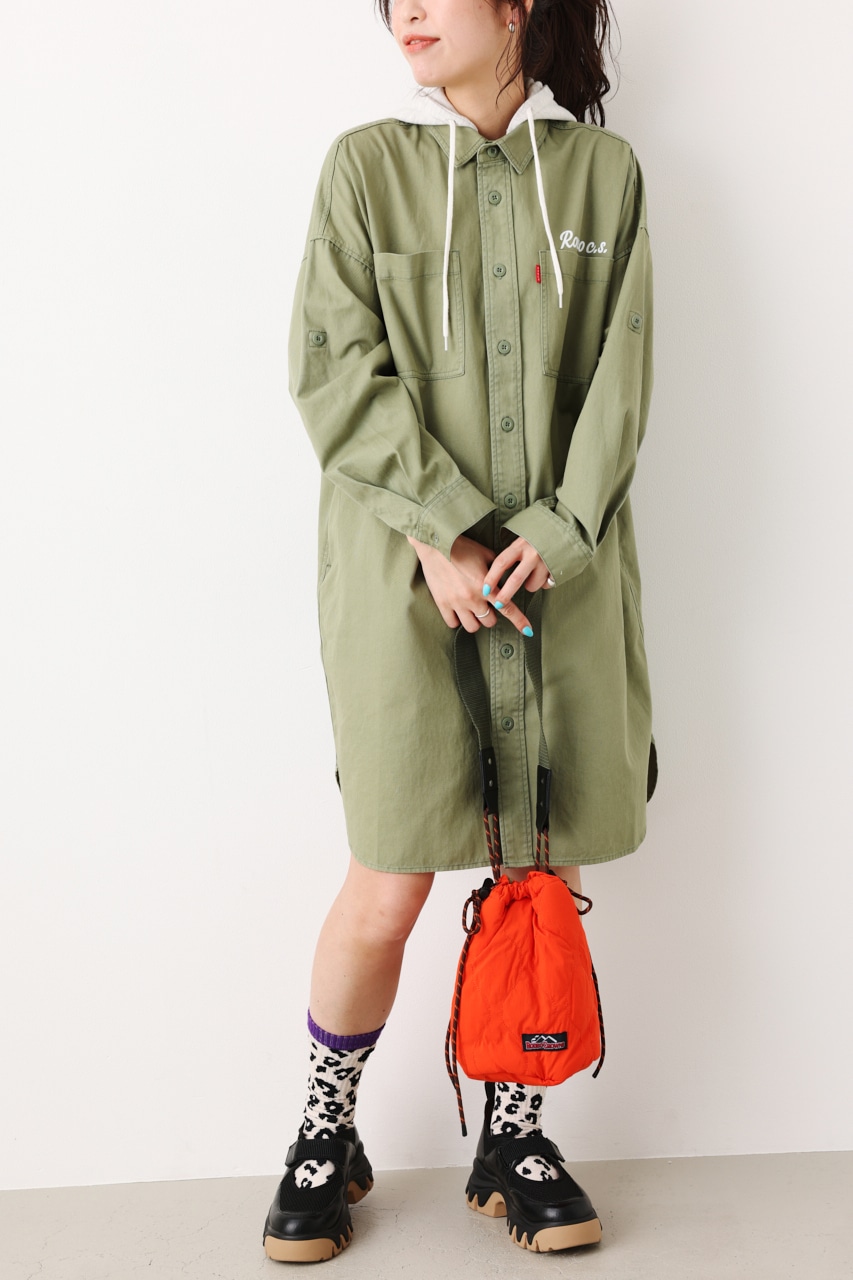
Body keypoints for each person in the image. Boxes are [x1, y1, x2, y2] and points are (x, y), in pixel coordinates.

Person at [262, 0, 657, 1262]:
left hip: (558, 579)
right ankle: (325, 1128)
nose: (408, 12)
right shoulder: (366, 168)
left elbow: (622, 372)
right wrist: (440, 532)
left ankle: (514, 1132)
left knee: (541, 874)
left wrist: (562, 525)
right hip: (404, 576)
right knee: (388, 879)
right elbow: (333, 368)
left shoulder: (600, 174)